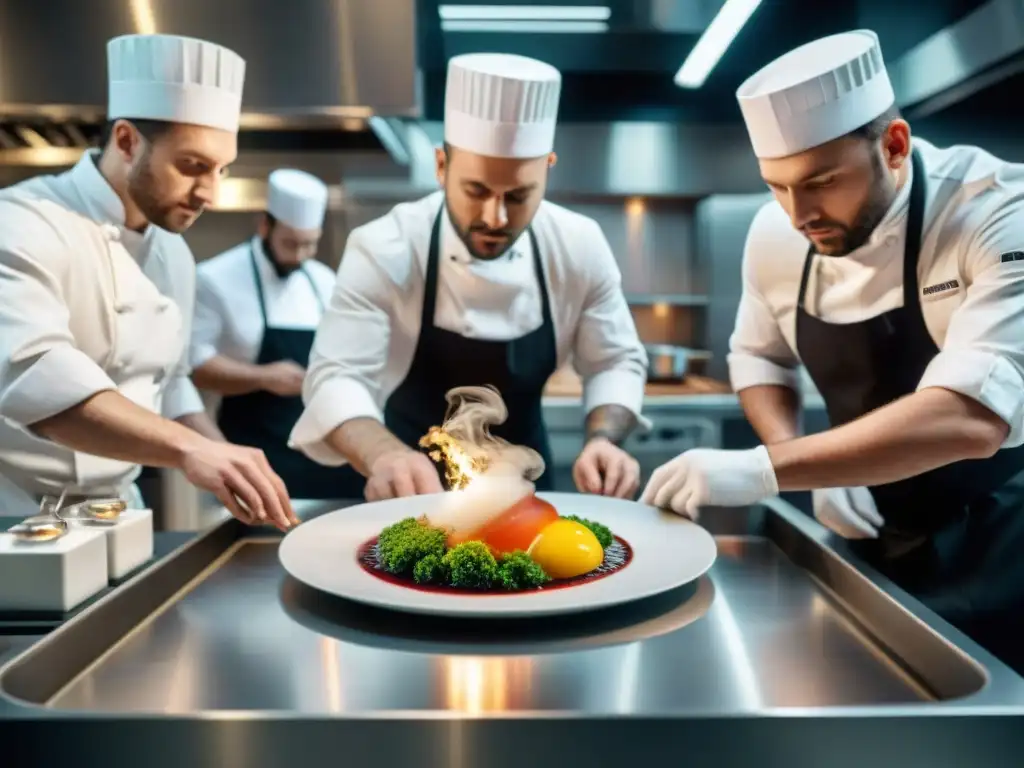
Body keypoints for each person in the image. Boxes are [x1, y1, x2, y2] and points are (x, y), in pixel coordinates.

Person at [641, 29, 1024, 674]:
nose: (798, 214)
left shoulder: (994, 212)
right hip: (875, 530)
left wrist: (768, 470)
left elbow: (971, 416)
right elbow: (760, 359)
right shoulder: (777, 233)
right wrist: (809, 462)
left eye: (821, 181)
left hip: (1005, 534)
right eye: (777, 186)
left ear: (894, 145)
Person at [289, 53, 649, 501]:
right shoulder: (385, 247)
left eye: (517, 196)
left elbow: (614, 361)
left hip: (528, 491)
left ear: (548, 169)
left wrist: (603, 441)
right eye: (475, 191)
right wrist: (384, 455)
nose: (494, 217)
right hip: (408, 485)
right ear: (441, 167)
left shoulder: (578, 245)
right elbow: (336, 377)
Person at [0, 33, 296, 530]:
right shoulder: (23, 222)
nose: (210, 193)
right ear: (126, 141)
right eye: (192, 166)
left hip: (119, 514)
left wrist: (230, 463)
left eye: (223, 169)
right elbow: (41, 386)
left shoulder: (173, 252)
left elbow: (171, 380)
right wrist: (191, 450)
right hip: (16, 516)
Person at [189, 169, 345, 498]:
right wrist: (262, 377)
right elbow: (194, 366)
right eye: (291, 243)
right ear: (265, 225)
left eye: (309, 245)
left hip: (322, 456)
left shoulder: (323, 280)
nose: (300, 255)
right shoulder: (214, 278)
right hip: (255, 455)